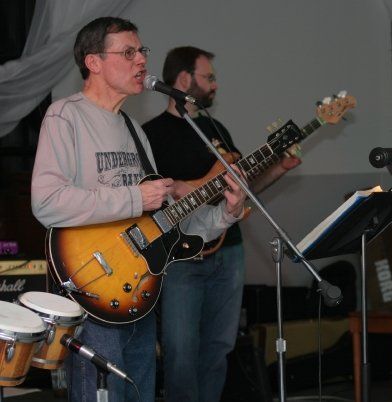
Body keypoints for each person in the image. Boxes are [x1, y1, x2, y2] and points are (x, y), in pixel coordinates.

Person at [30, 19, 246, 402]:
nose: (141, 61)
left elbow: (169, 223)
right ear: (93, 62)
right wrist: (134, 198)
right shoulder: (66, 116)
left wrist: (226, 214)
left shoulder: (135, 131)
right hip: (93, 288)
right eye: (128, 52)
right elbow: (46, 202)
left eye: (141, 51)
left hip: (140, 294)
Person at [142, 46, 301, 402]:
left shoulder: (215, 129)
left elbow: (242, 190)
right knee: (180, 351)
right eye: (209, 77)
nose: (215, 85)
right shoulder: (150, 134)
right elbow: (147, 198)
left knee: (219, 348)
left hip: (228, 251)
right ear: (184, 78)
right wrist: (180, 188)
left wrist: (279, 167)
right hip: (180, 258)